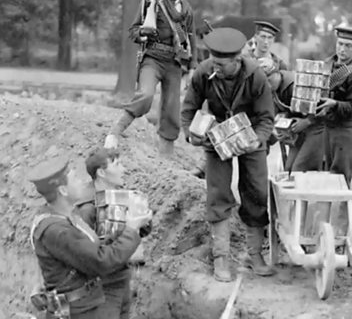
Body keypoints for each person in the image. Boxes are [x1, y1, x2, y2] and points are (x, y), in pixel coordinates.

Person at [181, 27, 275, 282]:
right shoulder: (203, 72)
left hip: (251, 135)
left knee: (256, 190)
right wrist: (192, 134)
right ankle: (221, 257)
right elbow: (188, 110)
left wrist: (257, 139)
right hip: (215, 137)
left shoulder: (255, 76)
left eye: (222, 65)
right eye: (214, 63)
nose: (217, 69)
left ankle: (254, 254)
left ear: (237, 60)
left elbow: (267, 117)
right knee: (218, 193)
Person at [28, 156, 151, 319]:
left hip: (86, 304)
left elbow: (92, 249)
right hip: (80, 310)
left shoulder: (66, 217)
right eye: (75, 179)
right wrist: (130, 230)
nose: (81, 182)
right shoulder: (57, 230)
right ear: (63, 191)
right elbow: (101, 261)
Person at [105, 0, 197, 156]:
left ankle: (166, 158)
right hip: (152, 59)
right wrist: (143, 33)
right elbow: (133, 30)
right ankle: (115, 132)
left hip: (175, 63)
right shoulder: (151, 1)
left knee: (172, 110)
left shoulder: (186, 9)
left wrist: (192, 67)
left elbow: (191, 40)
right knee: (145, 95)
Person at [74, 148, 150, 319]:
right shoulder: (87, 209)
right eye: (117, 164)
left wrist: (142, 222)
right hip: (102, 286)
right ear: (101, 172)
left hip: (122, 278)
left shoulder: (121, 197)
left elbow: (137, 233)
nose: (124, 169)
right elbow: (88, 256)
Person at [317, 26, 352, 185]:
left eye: (348, 46)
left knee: (341, 177)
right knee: (325, 174)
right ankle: (324, 210)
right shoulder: (327, 65)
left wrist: (334, 103)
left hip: (345, 130)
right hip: (327, 127)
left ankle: (342, 211)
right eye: (340, 44)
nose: (342, 49)